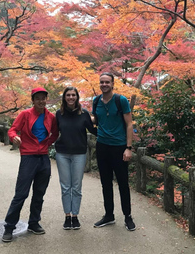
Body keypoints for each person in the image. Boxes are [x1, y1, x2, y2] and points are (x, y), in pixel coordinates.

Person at [2, 87, 58, 243]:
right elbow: (13, 129)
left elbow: (55, 132)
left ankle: (34, 223)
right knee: (21, 193)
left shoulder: (50, 117)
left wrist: (48, 143)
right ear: (33, 100)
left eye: (43, 98)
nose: (41, 101)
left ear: (47, 100)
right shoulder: (25, 115)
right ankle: (9, 227)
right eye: (38, 98)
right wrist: (14, 137)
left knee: (39, 193)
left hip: (44, 157)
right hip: (28, 157)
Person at [92, 72, 136, 231]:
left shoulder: (121, 100)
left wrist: (128, 148)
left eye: (107, 82)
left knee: (123, 183)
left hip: (119, 147)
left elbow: (129, 124)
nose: (104, 85)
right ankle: (109, 215)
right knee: (105, 183)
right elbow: (95, 120)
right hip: (102, 146)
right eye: (102, 82)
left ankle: (127, 216)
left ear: (112, 84)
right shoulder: (96, 101)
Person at [55, 86, 97, 230]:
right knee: (66, 186)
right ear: (64, 97)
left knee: (76, 186)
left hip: (79, 153)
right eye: (68, 95)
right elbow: (53, 132)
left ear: (77, 97)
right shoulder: (58, 114)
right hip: (62, 153)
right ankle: (67, 216)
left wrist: (113, 130)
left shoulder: (83, 113)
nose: (71, 97)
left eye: (73, 95)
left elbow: (94, 130)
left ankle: (75, 216)